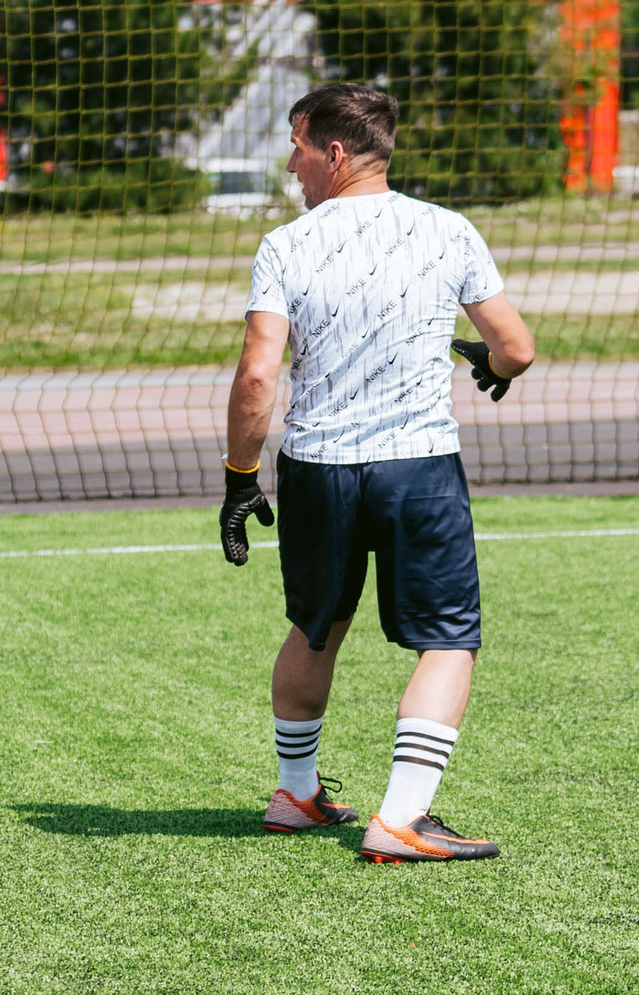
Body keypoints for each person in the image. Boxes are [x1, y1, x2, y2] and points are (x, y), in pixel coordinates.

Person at [218, 82, 537, 863]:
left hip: (317, 468)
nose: (290, 164)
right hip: (416, 467)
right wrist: (489, 363)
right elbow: (517, 347)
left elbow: (259, 376)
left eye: (297, 146)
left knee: (314, 624)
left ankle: (296, 792)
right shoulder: (447, 230)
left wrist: (239, 476)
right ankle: (400, 818)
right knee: (449, 639)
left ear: (333, 152)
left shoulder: (286, 244)